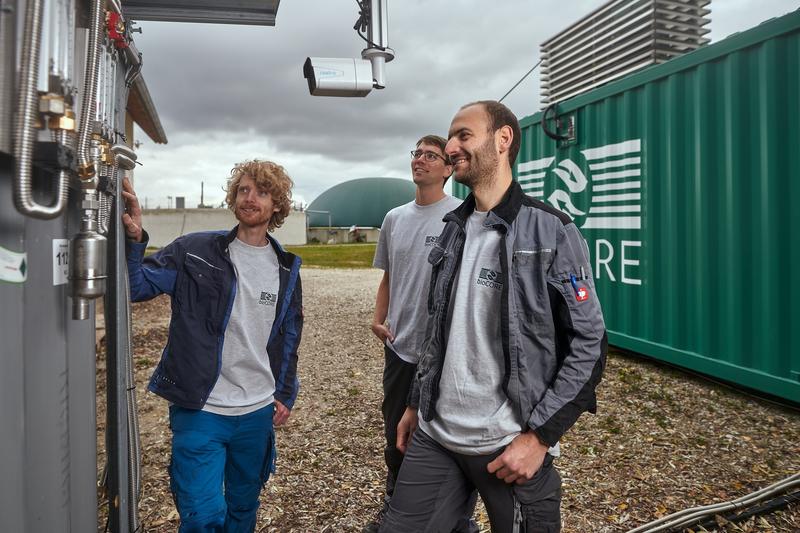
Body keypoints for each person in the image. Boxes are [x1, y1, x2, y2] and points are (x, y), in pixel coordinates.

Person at [381, 101, 607, 533]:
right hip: (436, 435)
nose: (450, 147)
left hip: (507, 445)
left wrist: (540, 437)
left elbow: (589, 342)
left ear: (503, 140)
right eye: (450, 137)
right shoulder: (453, 227)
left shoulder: (551, 230)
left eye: (463, 136)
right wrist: (415, 402)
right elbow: (438, 327)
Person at [121, 160, 303, 533]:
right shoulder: (194, 250)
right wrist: (135, 240)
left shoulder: (286, 268)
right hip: (201, 408)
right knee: (203, 517)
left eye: (262, 192)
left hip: (256, 412)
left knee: (242, 508)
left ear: (278, 205)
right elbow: (137, 287)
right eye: (243, 190)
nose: (250, 198)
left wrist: (285, 391)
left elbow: (289, 334)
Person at [367, 135, 478, 533]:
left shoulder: (463, 216)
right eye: (417, 154)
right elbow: (389, 278)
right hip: (401, 347)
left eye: (432, 156)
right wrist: (379, 320)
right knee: (395, 430)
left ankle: (458, 517)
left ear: (449, 170)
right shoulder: (395, 218)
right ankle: (395, 503)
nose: (421, 160)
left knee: (449, 434)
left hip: (446, 351)